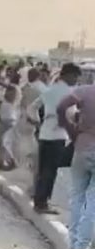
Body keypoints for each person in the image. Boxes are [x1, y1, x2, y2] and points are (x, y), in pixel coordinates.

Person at [29, 63, 82, 214]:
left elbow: (32, 108)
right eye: (75, 77)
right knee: (50, 170)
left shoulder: (49, 90)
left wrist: (38, 123)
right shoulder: (69, 93)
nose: (76, 80)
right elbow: (71, 114)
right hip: (59, 135)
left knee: (44, 169)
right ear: (67, 75)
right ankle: (42, 203)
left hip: (45, 134)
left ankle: (39, 200)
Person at [57, 83, 95, 249]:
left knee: (77, 196)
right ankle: (83, 246)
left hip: (81, 146)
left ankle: (73, 242)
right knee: (92, 200)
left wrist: (70, 130)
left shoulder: (86, 91)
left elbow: (61, 106)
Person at [0, 85, 20, 170]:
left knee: (4, 144)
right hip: (6, 123)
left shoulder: (8, 103)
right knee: (2, 144)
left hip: (6, 123)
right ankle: (2, 160)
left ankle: (11, 161)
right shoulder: (9, 103)